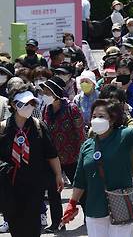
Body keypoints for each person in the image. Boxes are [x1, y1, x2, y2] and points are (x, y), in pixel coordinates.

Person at [61, 93, 133, 236]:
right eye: (93, 116)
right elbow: (80, 180)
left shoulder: (123, 135)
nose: (96, 120)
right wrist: (72, 203)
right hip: (95, 209)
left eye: (101, 116)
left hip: (122, 206)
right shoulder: (87, 145)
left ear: (112, 120)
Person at [0, 87, 64, 237]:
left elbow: (51, 154)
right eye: (25, 103)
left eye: (32, 103)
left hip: (34, 183)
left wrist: (58, 175)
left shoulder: (38, 126)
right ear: (14, 105)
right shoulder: (3, 128)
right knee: (15, 224)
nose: (30, 107)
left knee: (33, 225)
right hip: (10, 184)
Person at [40, 77, 86, 232]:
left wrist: (82, 155)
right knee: (53, 192)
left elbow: (81, 133)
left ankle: (90, 216)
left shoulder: (71, 108)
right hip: (53, 159)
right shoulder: (45, 109)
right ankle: (58, 223)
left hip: (73, 157)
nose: (44, 94)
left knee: (80, 189)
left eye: (47, 92)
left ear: (55, 93)